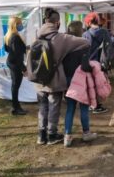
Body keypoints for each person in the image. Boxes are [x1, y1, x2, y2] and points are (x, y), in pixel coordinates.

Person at [36, 9, 90, 145]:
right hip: (53, 79)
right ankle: (52, 134)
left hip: (39, 78)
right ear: (58, 22)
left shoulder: (37, 35)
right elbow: (85, 42)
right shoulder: (61, 38)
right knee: (54, 106)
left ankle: (41, 136)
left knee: (42, 107)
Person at [62, 21, 97, 147]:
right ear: (79, 31)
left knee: (70, 109)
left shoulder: (64, 45)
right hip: (81, 81)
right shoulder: (83, 45)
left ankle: (67, 136)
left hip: (67, 80)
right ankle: (86, 133)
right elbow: (85, 66)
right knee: (83, 108)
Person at [82, 12, 112, 114]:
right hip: (101, 63)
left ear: (89, 22)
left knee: (91, 85)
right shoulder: (104, 32)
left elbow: (83, 51)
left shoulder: (85, 35)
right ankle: (97, 106)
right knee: (101, 84)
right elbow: (109, 49)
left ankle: (92, 105)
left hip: (89, 63)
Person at [4, 16, 27, 115]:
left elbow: (7, 49)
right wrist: (23, 68)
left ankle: (16, 106)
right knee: (15, 86)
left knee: (15, 86)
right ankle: (15, 108)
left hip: (12, 62)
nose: (21, 25)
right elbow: (16, 54)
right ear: (15, 25)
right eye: (19, 23)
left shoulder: (8, 35)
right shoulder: (15, 37)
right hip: (15, 64)